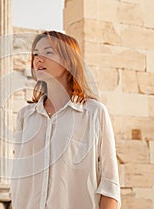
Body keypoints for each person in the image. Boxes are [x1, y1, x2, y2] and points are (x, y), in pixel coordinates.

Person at [10, 31, 121, 209]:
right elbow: (19, 180)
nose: (38, 59)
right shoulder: (25, 116)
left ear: (69, 61)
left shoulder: (94, 113)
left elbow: (109, 184)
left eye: (48, 52)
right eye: (36, 54)